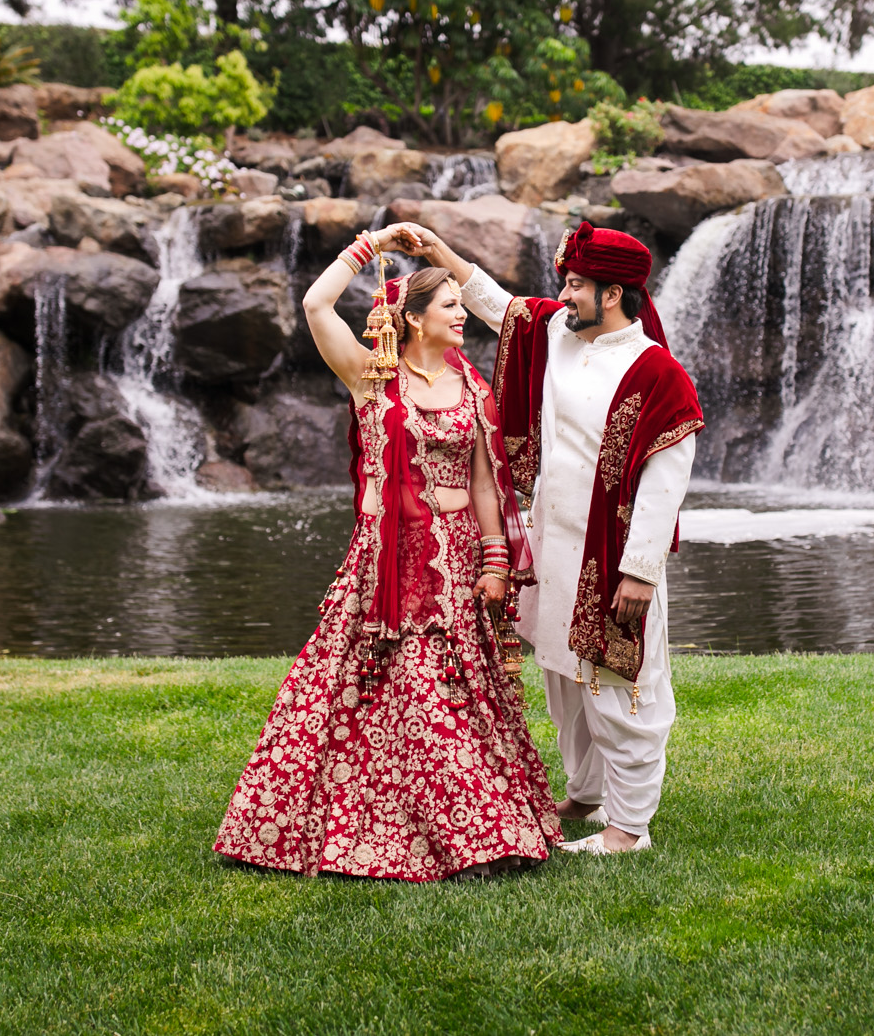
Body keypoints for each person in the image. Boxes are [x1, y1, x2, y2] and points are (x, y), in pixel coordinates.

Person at [212, 226, 560, 880]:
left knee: (450, 693)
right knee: (392, 694)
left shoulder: (471, 389)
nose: (463, 314)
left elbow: (485, 481)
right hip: (385, 561)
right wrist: (368, 246)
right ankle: (464, 840)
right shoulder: (370, 375)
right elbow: (317, 305)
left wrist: (494, 561)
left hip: (455, 559)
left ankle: (476, 830)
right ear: (414, 318)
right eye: (451, 304)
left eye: (462, 302)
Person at [396, 218, 702, 856]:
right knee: (563, 677)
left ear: (612, 295)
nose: (562, 296)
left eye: (574, 285)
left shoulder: (658, 375)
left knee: (620, 686)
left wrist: (641, 571)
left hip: (612, 557)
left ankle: (629, 827)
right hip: (551, 543)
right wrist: (437, 252)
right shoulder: (561, 331)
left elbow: (665, 483)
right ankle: (586, 792)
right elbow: (496, 304)